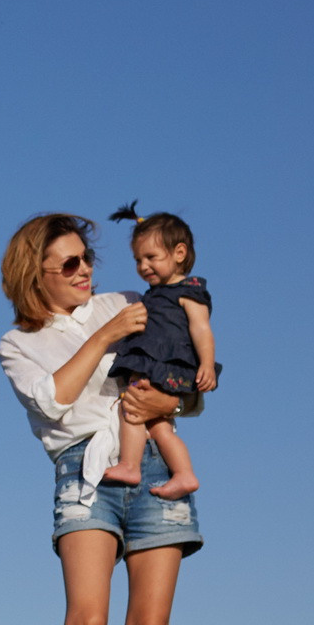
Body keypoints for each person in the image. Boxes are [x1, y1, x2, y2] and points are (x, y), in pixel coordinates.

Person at [0, 212, 198, 625]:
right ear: (38, 276)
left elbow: (185, 377)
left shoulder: (128, 298)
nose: (86, 271)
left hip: (155, 462)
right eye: (70, 264)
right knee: (86, 623)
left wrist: (177, 398)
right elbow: (56, 399)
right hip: (85, 473)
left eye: (88, 259)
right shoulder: (18, 344)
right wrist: (106, 331)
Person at [97, 206, 219, 500]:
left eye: (151, 257)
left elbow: (202, 329)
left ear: (179, 253)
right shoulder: (156, 293)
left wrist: (207, 364)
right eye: (138, 260)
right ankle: (184, 473)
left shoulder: (189, 290)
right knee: (159, 426)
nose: (143, 266)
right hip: (158, 360)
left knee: (132, 406)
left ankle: (129, 464)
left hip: (164, 362)